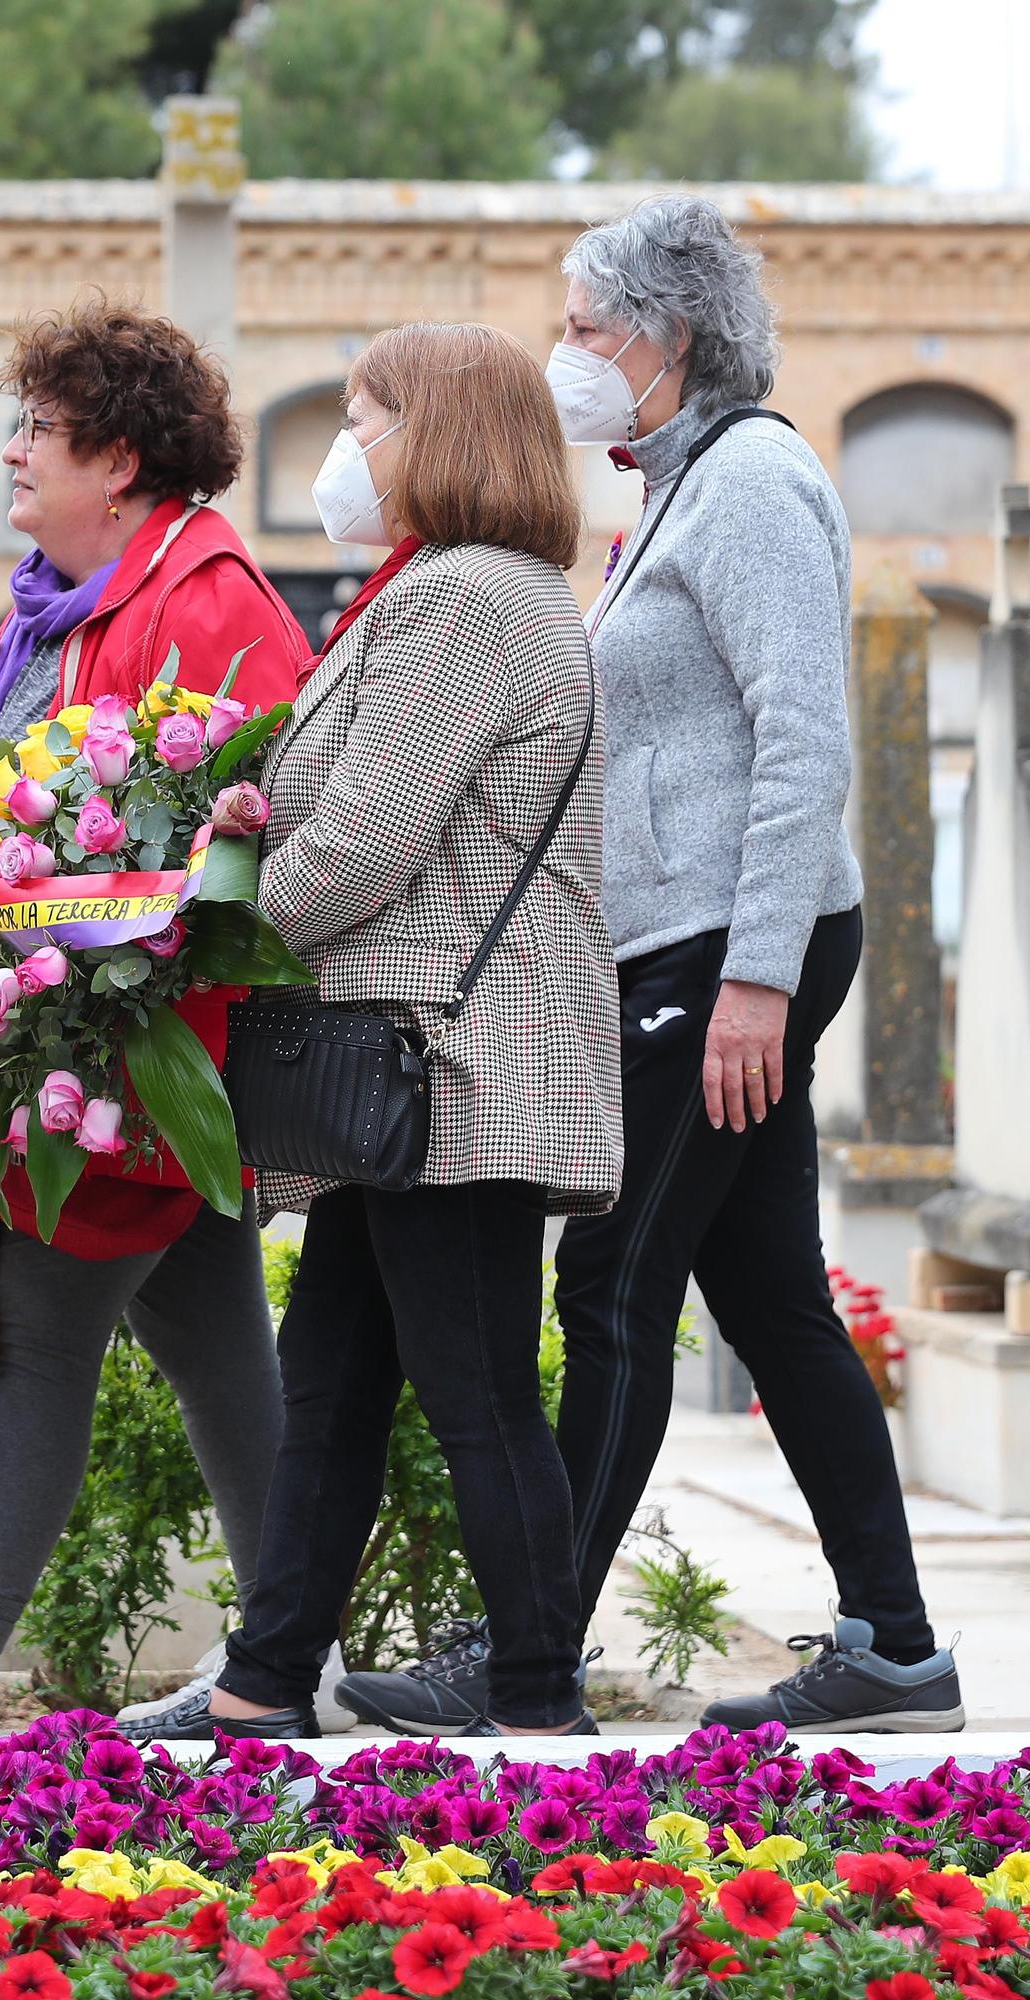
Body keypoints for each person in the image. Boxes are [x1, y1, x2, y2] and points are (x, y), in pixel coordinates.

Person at [335, 195, 963, 1738]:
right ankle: (895, 1643)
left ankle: (524, 1649)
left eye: (581, 325)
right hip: (697, 942)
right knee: (771, 1296)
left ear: (667, 337)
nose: (564, 353)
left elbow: (801, 733)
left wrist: (751, 979)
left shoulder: (751, 480)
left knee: (612, 1281)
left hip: (729, 948)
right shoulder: (675, 494)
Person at [0, 300, 356, 1738]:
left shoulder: (209, 596)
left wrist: (76, 982)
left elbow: (248, 829)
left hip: (124, 1052)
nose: (11, 453)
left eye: (36, 428)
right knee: (222, 1348)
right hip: (75, 1041)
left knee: (37, 1331)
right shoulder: (53, 596)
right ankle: (300, 1658)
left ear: (119, 458)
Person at [124, 320, 623, 1742]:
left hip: (450, 1068)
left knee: (476, 1398)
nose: (350, 448)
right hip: (402, 1064)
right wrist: (253, 812)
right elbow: (359, 805)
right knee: (331, 1385)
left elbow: (368, 846)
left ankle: (537, 1696)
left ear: (445, 431)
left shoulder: (468, 598)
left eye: (367, 417)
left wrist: (189, 943)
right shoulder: (452, 593)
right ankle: (266, 1680)